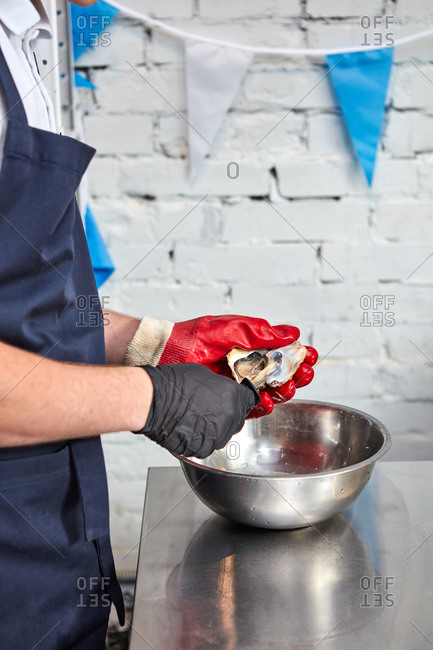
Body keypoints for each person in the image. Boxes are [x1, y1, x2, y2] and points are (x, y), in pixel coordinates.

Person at [0, 1, 317, 648]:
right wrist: (153, 399)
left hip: (52, 558)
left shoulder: (32, 28)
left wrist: (151, 343)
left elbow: (17, 297)